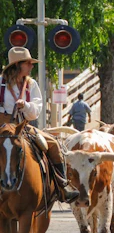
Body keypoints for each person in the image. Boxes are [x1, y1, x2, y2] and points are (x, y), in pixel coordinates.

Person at [0, 46, 79, 203]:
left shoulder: (31, 84)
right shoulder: (0, 83)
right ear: (17, 65)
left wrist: (26, 105)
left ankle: (62, 186)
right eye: (28, 63)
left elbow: (36, 110)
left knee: (53, 144)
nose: (31, 66)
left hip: (22, 126)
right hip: (1, 128)